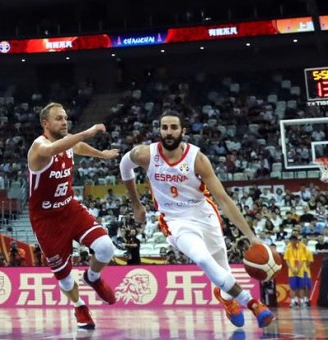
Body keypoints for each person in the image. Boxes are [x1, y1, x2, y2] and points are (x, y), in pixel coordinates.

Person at [119, 111, 274, 328]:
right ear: (159, 130)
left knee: (222, 269)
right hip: (174, 220)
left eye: (174, 127)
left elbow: (224, 199)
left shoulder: (198, 159)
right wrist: (136, 204)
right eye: (164, 127)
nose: (169, 132)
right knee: (202, 259)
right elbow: (124, 166)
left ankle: (227, 300)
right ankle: (252, 303)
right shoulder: (145, 154)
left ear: (183, 131)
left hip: (204, 214)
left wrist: (251, 237)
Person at [27, 102, 119, 330]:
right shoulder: (39, 146)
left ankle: (93, 277)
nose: (64, 121)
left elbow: (77, 147)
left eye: (65, 117)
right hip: (46, 219)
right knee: (65, 276)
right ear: (45, 123)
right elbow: (52, 150)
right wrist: (88, 132)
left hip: (69, 208)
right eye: (58, 118)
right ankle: (79, 306)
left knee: (106, 247)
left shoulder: (68, 144)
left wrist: (100, 155)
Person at [284, 235, 312, 307]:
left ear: (297, 241)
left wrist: (298, 269)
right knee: (293, 287)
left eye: (294, 240)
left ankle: (302, 301)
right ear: (290, 241)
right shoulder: (288, 249)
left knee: (302, 287)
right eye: (291, 240)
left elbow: (303, 260)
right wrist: (292, 269)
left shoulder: (301, 249)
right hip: (292, 272)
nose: (293, 242)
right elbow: (286, 260)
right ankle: (293, 301)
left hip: (301, 271)